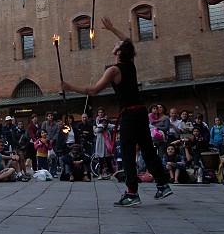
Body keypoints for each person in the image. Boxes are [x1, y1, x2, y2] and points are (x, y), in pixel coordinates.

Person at [61, 16, 172, 206]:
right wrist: (112, 28)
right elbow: (128, 42)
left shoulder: (114, 69)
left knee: (128, 152)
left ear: (119, 52)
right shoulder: (130, 64)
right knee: (147, 149)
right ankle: (163, 184)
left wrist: (69, 87)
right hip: (140, 112)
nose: (116, 43)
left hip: (129, 114)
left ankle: (131, 193)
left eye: (117, 44)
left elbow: (93, 91)